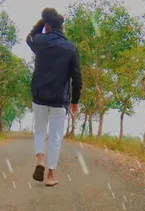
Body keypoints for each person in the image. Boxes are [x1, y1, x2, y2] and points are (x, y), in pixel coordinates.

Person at [26, 8, 82, 186]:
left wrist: (41, 22)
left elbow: (30, 37)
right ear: (62, 27)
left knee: (40, 131)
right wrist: (75, 101)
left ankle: (40, 160)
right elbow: (77, 77)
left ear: (47, 26)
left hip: (40, 96)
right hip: (59, 100)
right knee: (56, 136)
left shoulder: (41, 41)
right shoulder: (71, 48)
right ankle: (51, 176)